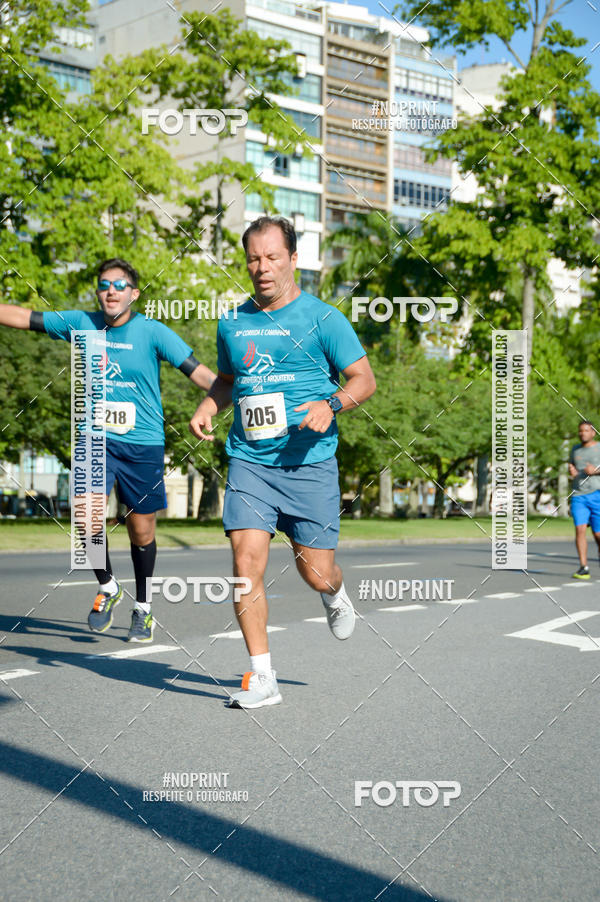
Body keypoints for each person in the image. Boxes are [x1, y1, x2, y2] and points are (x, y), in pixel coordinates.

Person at [190, 216, 376, 708]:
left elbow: (364, 380)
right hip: (250, 461)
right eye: (254, 258)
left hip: (310, 465)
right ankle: (262, 677)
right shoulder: (232, 322)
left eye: (272, 257)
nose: (262, 267)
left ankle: (334, 593)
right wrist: (209, 404)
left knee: (316, 572)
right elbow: (227, 380)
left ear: (293, 259)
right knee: (245, 563)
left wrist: (331, 404)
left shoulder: (323, 319)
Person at [0, 258, 215, 640]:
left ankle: (143, 607)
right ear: (98, 293)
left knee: (141, 531)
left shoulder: (153, 332)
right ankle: (109, 585)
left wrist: (227, 399)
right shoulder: (80, 323)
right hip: (95, 438)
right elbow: (23, 316)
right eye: (104, 284)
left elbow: (201, 374)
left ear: (134, 294)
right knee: (85, 516)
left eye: (119, 285)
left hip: (143, 444)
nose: (111, 290)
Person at [568, 419, 600, 579]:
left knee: (598, 534)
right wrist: (572, 471)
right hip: (578, 495)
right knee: (580, 529)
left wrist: (595, 471)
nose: (582, 433)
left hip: (597, 494)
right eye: (580, 431)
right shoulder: (575, 449)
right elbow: (572, 466)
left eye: (586, 430)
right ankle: (583, 567)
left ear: (593, 432)